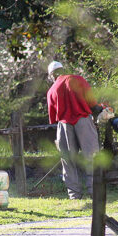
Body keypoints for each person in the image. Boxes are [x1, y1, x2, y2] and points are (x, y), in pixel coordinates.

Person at [47, 61, 102, 199]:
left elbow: (54, 117)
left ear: (52, 75)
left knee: (68, 160)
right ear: (63, 69)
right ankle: (94, 192)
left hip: (64, 125)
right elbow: (92, 103)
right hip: (83, 120)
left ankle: (74, 195)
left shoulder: (52, 90)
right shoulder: (78, 80)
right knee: (91, 156)